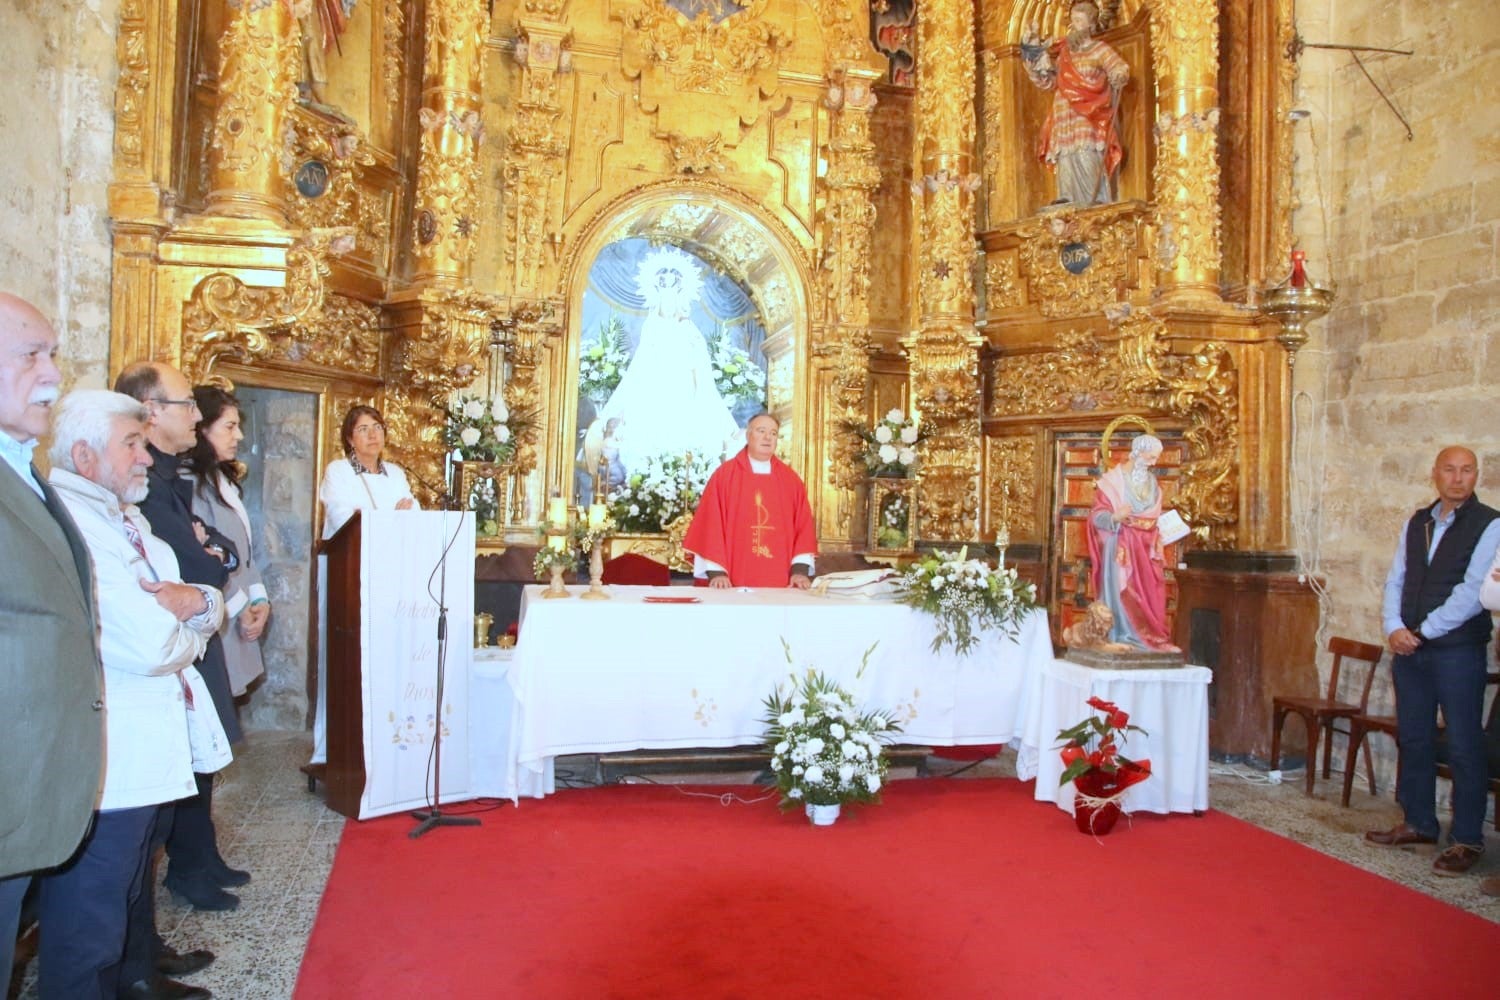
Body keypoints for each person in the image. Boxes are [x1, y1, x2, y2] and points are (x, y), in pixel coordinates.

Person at [45, 389, 225, 1000]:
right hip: (112, 748)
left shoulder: (128, 513)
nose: (146, 457)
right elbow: (150, 643)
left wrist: (198, 605)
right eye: (131, 444)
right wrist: (195, 621)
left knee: (127, 888)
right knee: (90, 916)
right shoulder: (79, 521)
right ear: (84, 455)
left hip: (147, 742)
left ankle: (136, 980)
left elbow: (196, 599)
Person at [114, 362, 246, 913]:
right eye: (187, 405)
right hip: (171, 636)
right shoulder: (150, 479)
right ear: (150, 412)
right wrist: (210, 557)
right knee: (185, 754)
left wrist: (213, 554)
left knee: (202, 744)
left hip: (194, 627)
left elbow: (215, 545)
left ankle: (200, 856)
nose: (196, 415)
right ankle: (188, 868)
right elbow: (190, 560)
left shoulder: (168, 474)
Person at [0, 294, 103, 987]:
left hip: (30, 784)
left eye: (54, 354)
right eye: (31, 354)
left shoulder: (22, 468)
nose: (52, 375)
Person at [1365, 446, 1500, 878]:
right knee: (1416, 738)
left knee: (1463, 744)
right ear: (1435, 474)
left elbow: (1473, 591)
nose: (1458, 478)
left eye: (1466, 471)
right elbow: (1396, 579)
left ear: (1476, 476)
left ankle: (1466, 839)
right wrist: (1393, 627)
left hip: (1457, 649)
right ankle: (1420, 821)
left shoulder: (1490, 524)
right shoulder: (1418, 522)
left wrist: (1421, 632)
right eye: (1449, 470)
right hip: (1410, 648)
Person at [310, 405, 420, 767]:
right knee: (349, 660)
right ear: (349, 438)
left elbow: (413, 513)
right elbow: (345, 517)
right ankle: (338, 747)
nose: (373, 435)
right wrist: (393, 517)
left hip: (392, 576)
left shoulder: (396, 473)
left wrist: (401, 516)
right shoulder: (338, 472)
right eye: (363, 429)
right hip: (350, 576)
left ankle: (387, 742)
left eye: (377, 427)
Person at [597, 245, 743, 474]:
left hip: (685, 393)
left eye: (672, 299)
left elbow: (701, 371)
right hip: (654, 394)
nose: (668, 306)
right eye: (663, 297)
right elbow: (641, 370)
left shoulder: (691, 332)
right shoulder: (651, 328)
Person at [184, 385, 270, 699]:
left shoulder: (222, 480)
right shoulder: (188, 485)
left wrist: (259, 600)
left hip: (240, 607)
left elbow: (245, 551)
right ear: (202, 428)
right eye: (229, 427)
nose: (239, 436)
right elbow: (200, 557)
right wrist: (240, 605)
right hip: (220, 611)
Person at [683, 412, 816, 589]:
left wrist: (799, 571)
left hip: (780, 582)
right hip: (730, 580)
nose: (768, 437)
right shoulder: (725, 476)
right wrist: (717, 573)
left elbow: (803, 528)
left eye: (773, 433)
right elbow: (710, 525)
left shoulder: (790, 480)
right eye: (761, 431)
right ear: (748, 435)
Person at [1020, 0, 1130, 207]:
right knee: (1066, 156)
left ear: (1090, 24)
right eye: (1072, 21)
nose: (1074, 26)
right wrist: (1036, 65)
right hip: (1063, 114)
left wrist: (1119, 74)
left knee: (1086, 153)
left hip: (1089, 114)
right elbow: (1053, 82)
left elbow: (1118, 66)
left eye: (1079, 21)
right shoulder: (1064, 54)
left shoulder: (1099, 49)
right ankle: (1068, 198)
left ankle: (1094, 199)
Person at [1086, 433, 1179, 652]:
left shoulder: (1152, 482)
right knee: (1125, 590)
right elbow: (1096, 516)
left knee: (1152, 589)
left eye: (1155, 458)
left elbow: (1154, 515)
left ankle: (1153, 637)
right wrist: (1115, 517)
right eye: (1150, 457)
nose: (1153, 463)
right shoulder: (1111, 482)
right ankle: (1123, 635)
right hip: (1122, 545)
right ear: (1137, 453)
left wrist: (1159, 529)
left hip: (1147, 548)